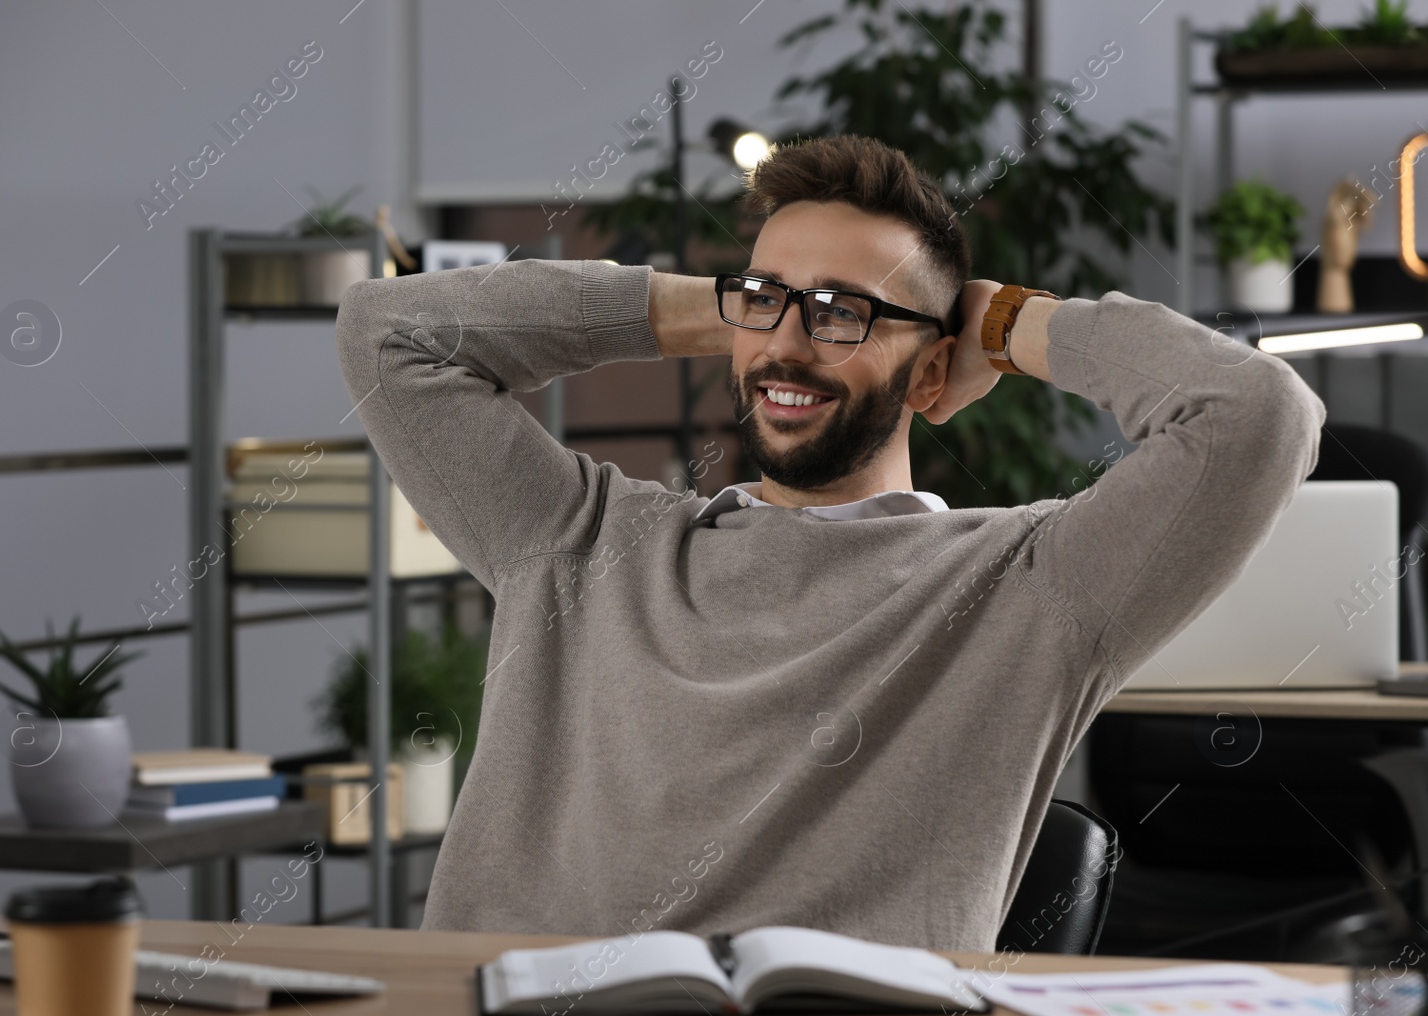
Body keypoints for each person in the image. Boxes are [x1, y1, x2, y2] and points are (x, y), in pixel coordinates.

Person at [335, 134, 1325, 952]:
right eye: (767, 297)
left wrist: (1006, 320)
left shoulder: (1031, 587)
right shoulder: (574, 539)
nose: (789, 345)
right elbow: (391, 334)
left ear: (933, 375)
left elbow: (1255, 415)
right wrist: (708, 308)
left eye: (843, 310)